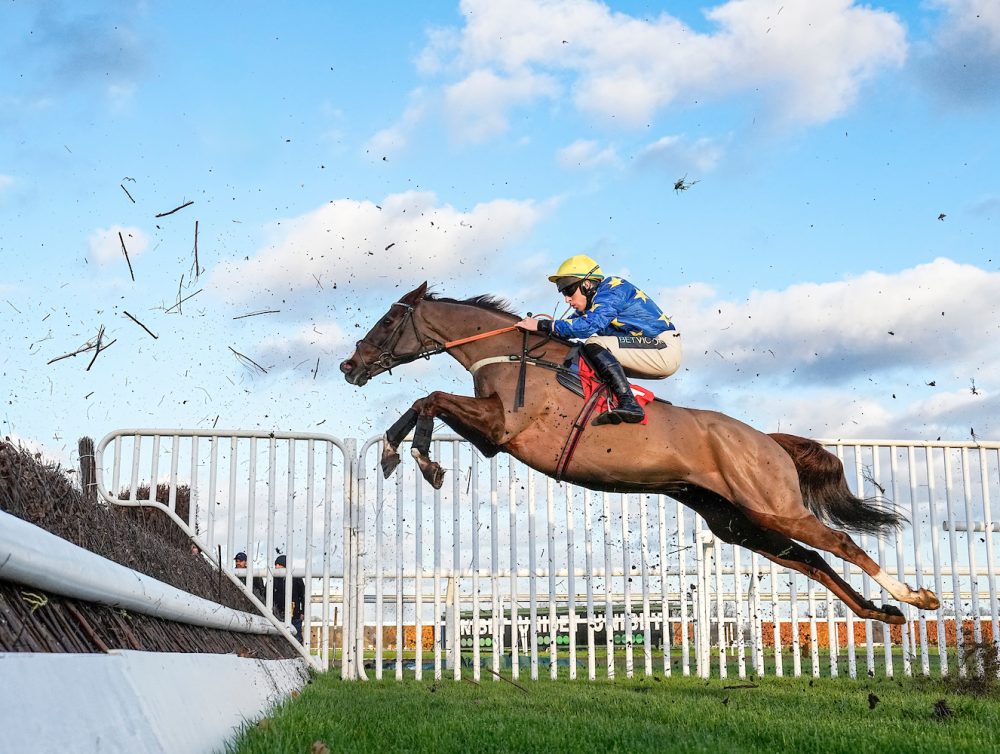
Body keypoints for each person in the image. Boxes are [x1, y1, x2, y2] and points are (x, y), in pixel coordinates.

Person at [517, 254, 681, 425]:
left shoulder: (612, 290)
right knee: (584, 354)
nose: (567, 299)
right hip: (651, 349)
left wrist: (542, 325)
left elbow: (585, 327)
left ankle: (630, 403)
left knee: (594, 344)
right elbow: (569, 326)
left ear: (587, 284)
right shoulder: (594, 304)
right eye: (563, 292)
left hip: (662, 348)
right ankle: (612, 401)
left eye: (568, 290)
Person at [272, 554, 306, 640]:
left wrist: (303, 612)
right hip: (277, 616)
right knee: (278, 639)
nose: (276, 566)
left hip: (295, 616)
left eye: (279, 564)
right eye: (276, 564)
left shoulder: (296, 578)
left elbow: (303, 596)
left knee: (296, 639)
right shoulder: (272, 579)